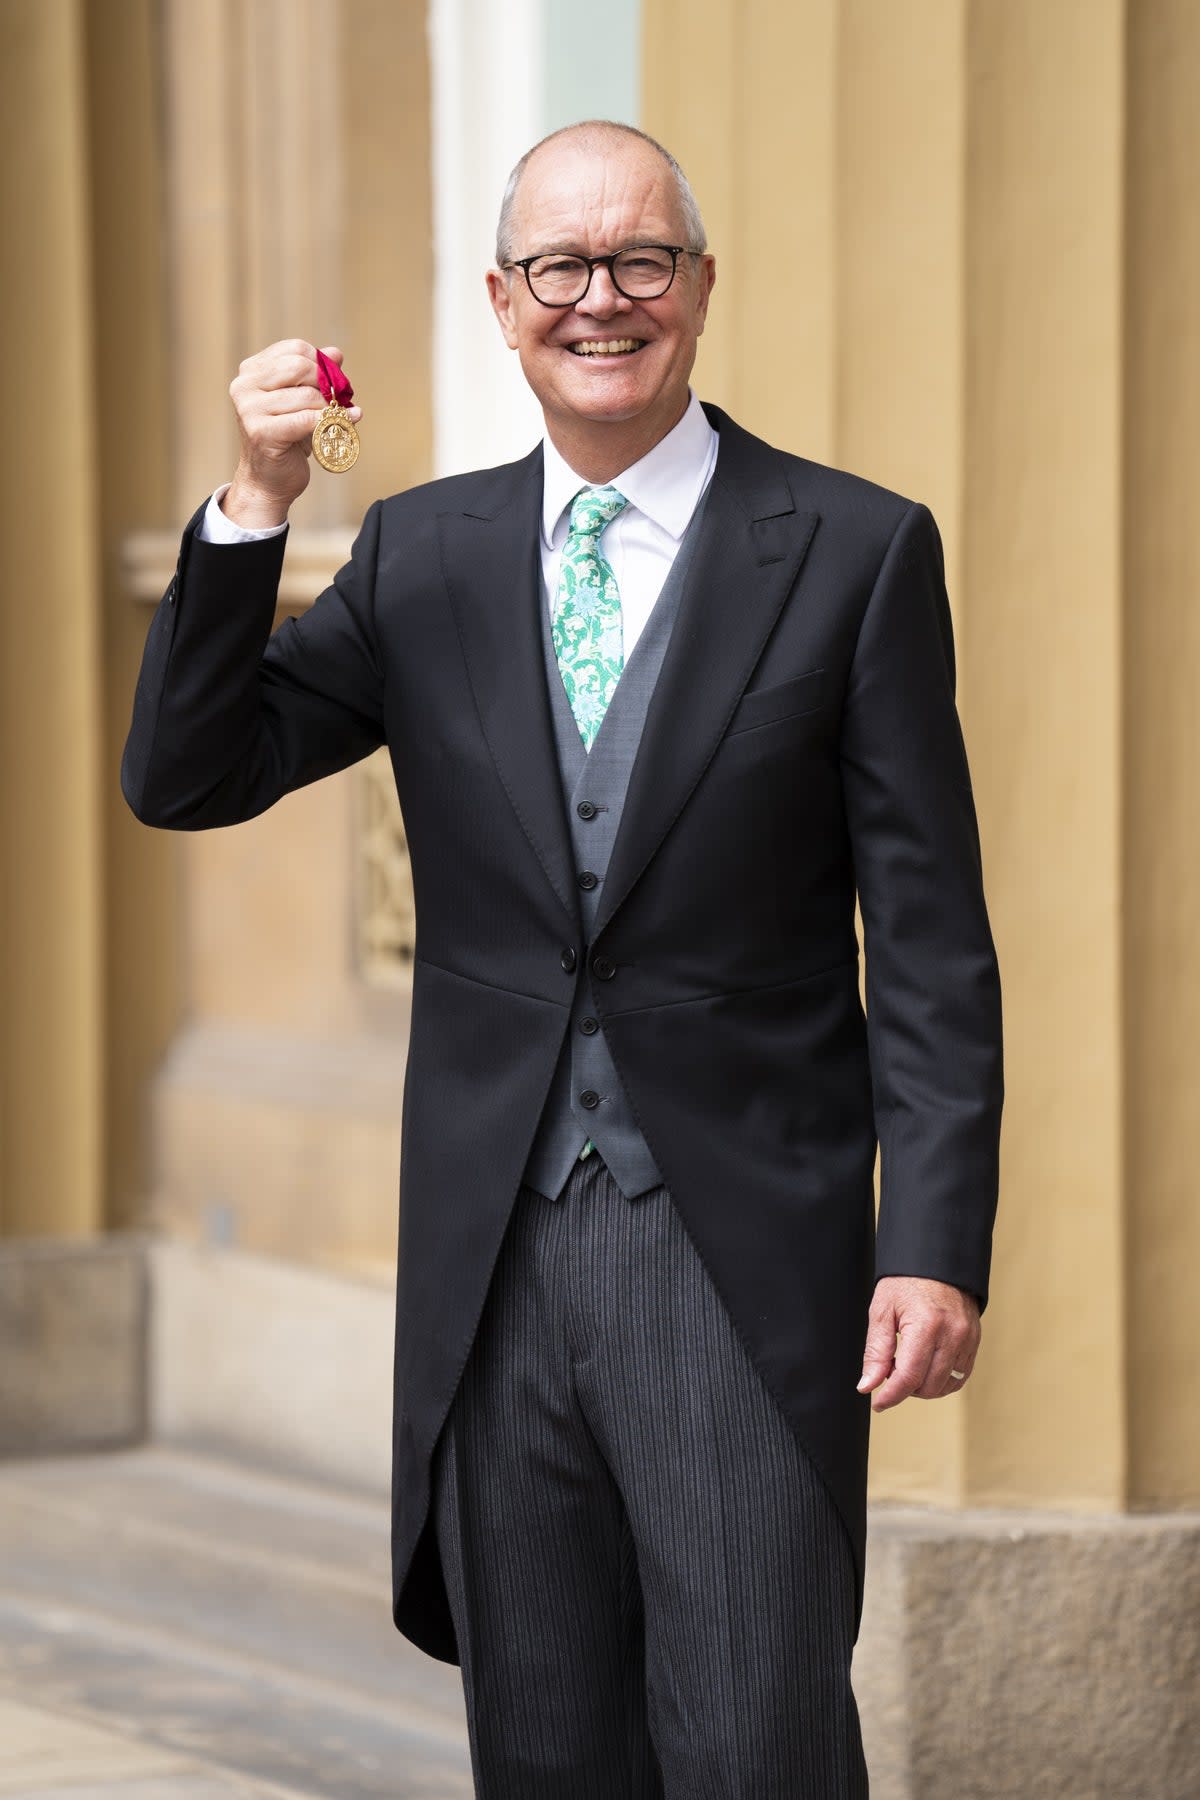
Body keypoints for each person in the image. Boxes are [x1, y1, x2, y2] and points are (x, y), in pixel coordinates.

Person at [122, 120, 1002, 1797]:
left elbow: (937, 942)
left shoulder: (856, 551)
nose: (603, 299)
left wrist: (936, 1241)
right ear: (503, 303)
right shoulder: (423, 555)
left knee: (757, 1744)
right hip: (494, 1264)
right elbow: (188, 772)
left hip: (743, 1257)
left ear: (700, 286)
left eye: (640, 260)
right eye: (561, 268)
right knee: (545, 1754)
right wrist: (257, 504)